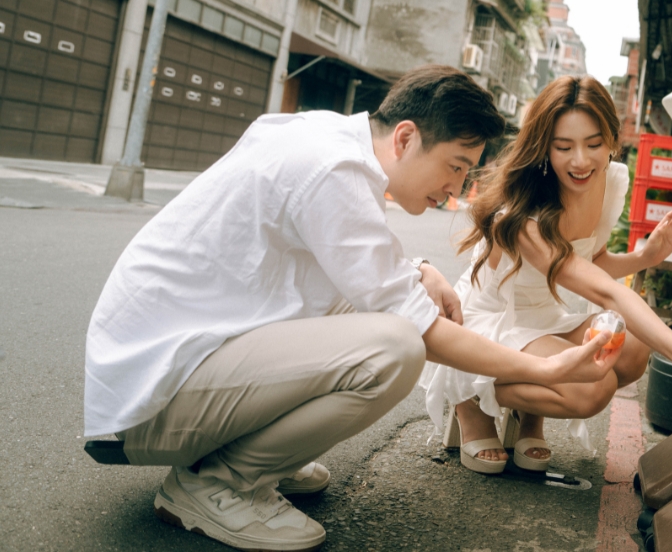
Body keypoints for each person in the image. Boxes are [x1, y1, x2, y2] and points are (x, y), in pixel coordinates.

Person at [84, 65, 619, 552]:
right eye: (455, 167)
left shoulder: (323, 137)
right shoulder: (334, 171)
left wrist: (418, 271)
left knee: (383, 314)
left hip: (171, 368)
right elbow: (422, 330)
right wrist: (545, 367)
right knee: (395, 346)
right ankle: (220, 482)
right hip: (155, 399)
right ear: (406, 137)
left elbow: (346, 264)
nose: (455, 190)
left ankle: (252, 455)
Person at [420, 75, 672, 475]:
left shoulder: (608, 180)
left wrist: (644, 256)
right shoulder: (522, 215)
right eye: (564, 147)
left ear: (612, 140)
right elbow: (604, 292)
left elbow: (590, 262)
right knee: (591, 389)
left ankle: (526, 410)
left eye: (594, 144)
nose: (581, 161)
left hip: (551, 317)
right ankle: (470, 394)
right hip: (496, 323)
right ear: (544, 147)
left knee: (633, 349)